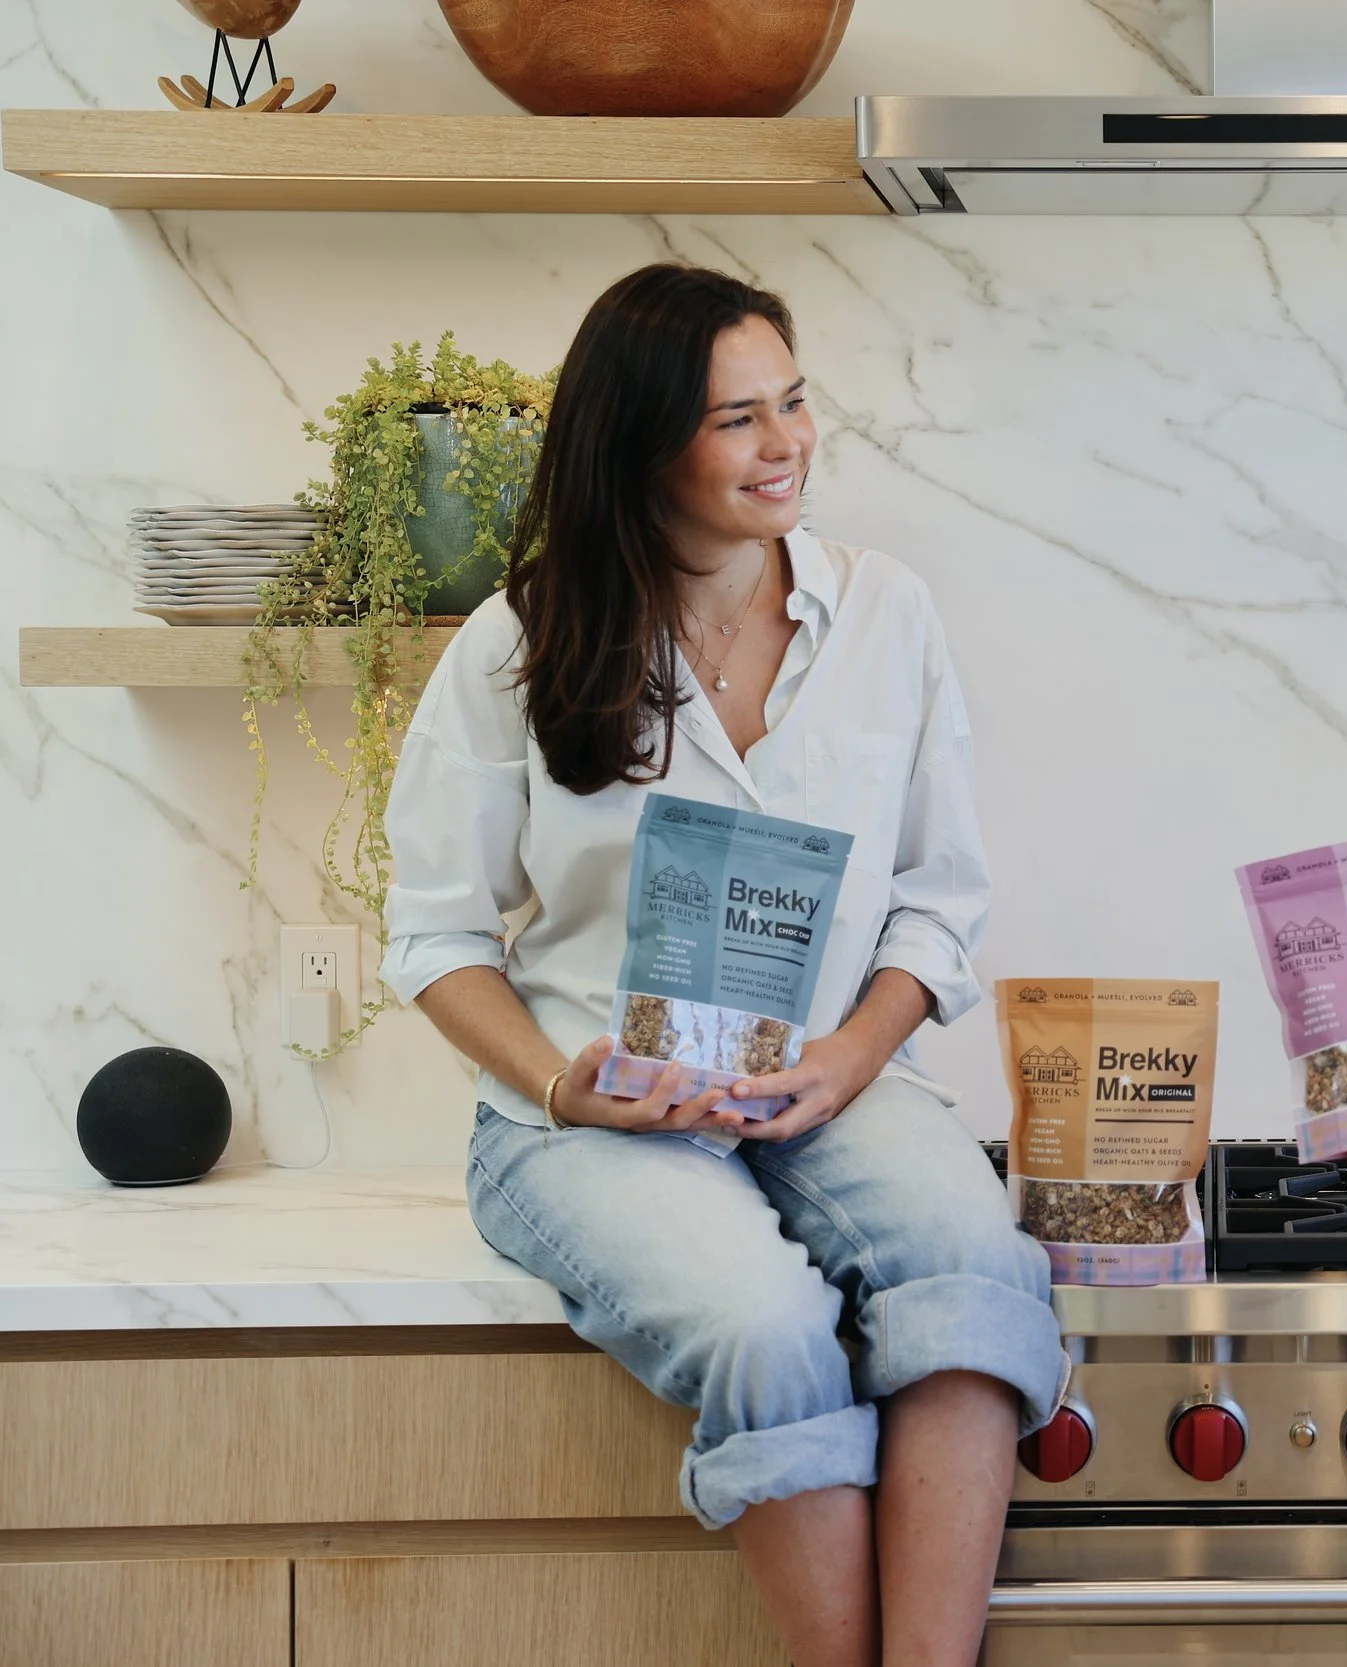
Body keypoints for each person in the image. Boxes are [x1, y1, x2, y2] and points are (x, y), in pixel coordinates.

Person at [379, 264, 1066, 1667]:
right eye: (737, 419)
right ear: (641, 447)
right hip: (587, 1113)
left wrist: (847, 1059)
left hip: (828, 1079)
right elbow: (434, 933)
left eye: (795, 401)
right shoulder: (518, 644)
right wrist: (565, 1087)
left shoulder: (888, 616)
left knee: (971, 1267)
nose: (788, 442)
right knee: (766, 1326)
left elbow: (937, 903)